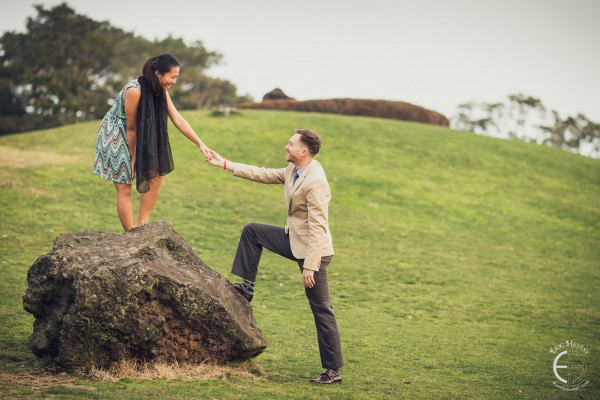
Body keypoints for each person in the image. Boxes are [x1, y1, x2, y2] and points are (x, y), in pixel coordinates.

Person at [207, 129, 344, 384]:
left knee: (322, 309)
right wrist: (224, 163)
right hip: (293, 240)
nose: (286, 146)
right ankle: (246, 288)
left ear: (304, 151)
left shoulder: (316, 182)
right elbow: (264, 174)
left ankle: (332, 370)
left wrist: (310, 267)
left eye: (290, 144)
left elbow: (318, 228)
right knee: (253, 231)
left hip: (315, 252)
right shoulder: (295, 170)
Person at [93, 53, 211, 231]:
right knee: (125, 184)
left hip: (141, 133)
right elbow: (131, 127)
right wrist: (133, 159)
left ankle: (142, 226)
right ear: (158, 74)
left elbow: (177, 119)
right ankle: (131, 233)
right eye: (173, 77)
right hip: (117, 134)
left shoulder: (160, 91)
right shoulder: (135, 90)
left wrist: (200, 144)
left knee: (157, 175)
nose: (175, 81)